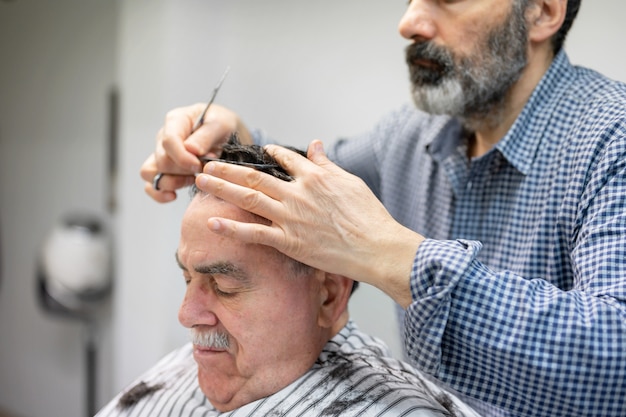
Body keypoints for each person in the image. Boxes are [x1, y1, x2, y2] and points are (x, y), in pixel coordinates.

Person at [140, 1, 626, 416]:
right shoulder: (413, 136)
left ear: (543, 11)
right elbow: (311, 191)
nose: (409, 21)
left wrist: (395, 258)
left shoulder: (612, 140)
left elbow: (617, 360)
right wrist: (237, 137)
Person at [98, 138, 480, 417]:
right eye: (187, 279)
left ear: (328, 297)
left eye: (224, 287)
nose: (187, 314)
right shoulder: (198, 361)